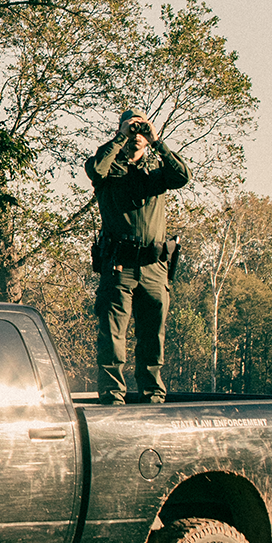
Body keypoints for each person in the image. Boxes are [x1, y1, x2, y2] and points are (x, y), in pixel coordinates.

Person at [86, 110, 190, 405]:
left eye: (141, 129)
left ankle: (153, 395)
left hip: (155, 267)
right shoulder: (106, 170)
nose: (137, 134)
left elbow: (182, 176)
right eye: (133, 128)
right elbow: (97, 170)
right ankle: (112, 396)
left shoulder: (156, 175)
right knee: (113, 337)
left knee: (153, 336)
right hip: (119, 266)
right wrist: (120, 137)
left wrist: (158, 142)